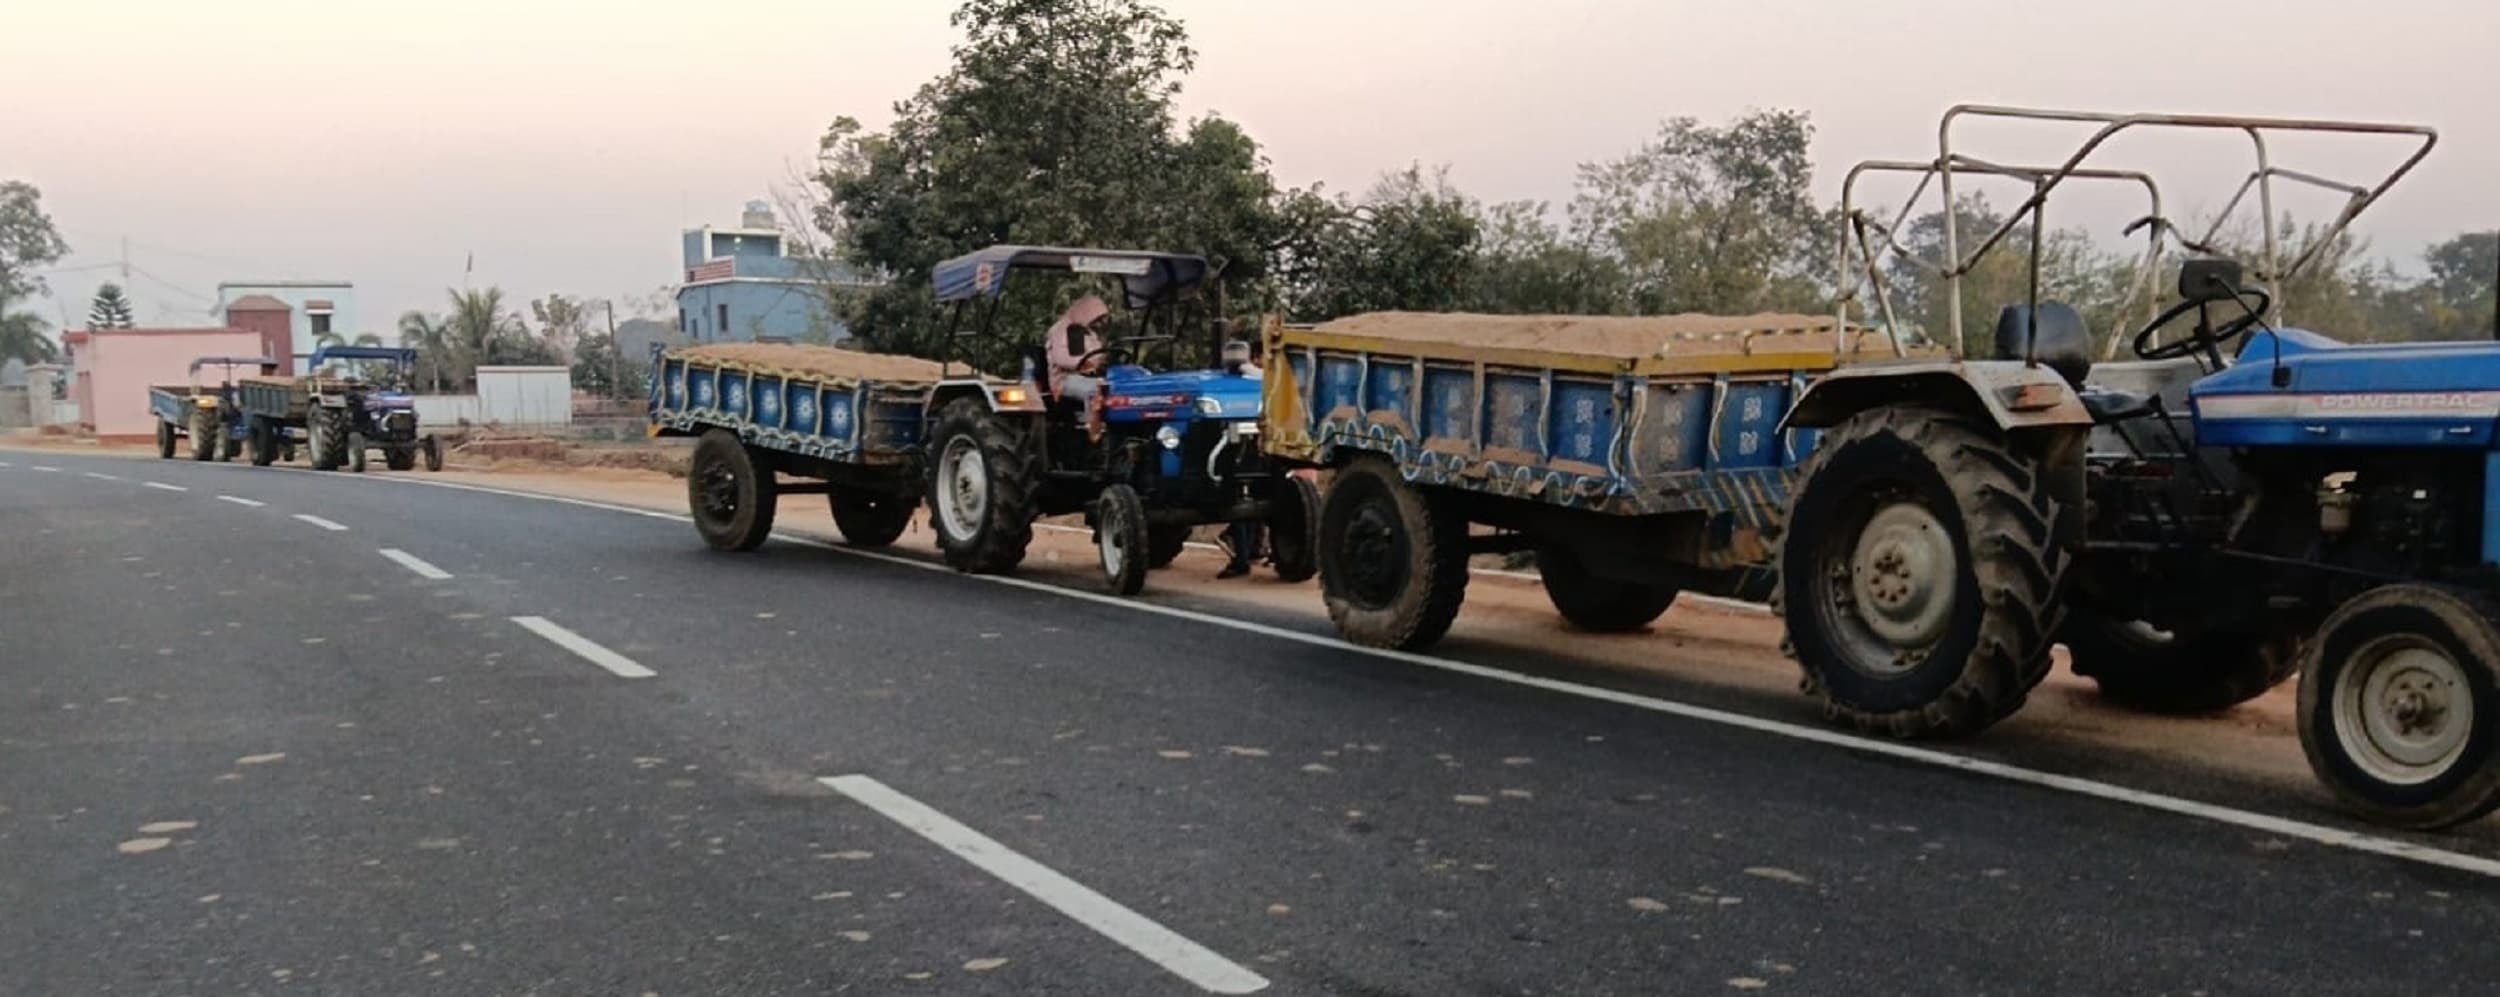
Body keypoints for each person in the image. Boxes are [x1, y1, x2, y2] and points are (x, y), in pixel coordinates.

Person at [1219, 334, 1265, 578]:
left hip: (1241, 448)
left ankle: (1243, 558)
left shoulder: (1243, 378)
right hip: (1260, 447)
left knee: (1236, 498)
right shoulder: (1266, 378)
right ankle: (1253, 551)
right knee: (1252, 498)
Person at [1045, 295, 1111, 406]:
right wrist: (1083, 363)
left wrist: (1102, 359)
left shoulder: (1089, 332)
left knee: (1112, 388)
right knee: (1095, 391)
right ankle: (1092, 422)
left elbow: (1096, 354)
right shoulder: (1061, 329)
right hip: (1065, 379)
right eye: (1096, 318)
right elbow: (1061, 359)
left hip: (1088, 376)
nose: (1098, 323)